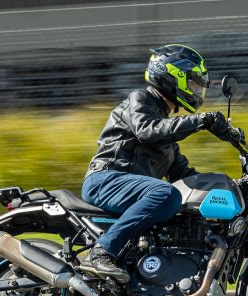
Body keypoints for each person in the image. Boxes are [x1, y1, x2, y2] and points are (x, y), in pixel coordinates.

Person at [80, 44, 231, 283]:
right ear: (172, 76)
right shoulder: (140, 99)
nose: (196, 90)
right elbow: (146, 131)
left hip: (128, 186)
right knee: (165, 193)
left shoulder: (166, 134)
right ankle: (100, 252)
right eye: (192, 83)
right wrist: (201, 120)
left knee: (187, 204)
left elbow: (185, 176)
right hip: (106, 179)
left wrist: (230, 188)